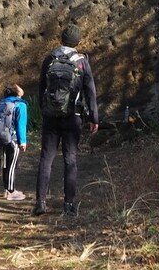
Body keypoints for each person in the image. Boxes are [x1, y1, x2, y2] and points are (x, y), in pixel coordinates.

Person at [33, 25, 99, 217]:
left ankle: (40, 203)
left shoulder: (50, 58)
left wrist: (44, 110)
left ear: (61, 39)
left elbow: (41, 88)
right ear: (77, 42)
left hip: (50, 118)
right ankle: (68, 204)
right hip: (73, 118)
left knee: (46, 158)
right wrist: (94, 117)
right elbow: (90, 91)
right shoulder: (81, 62)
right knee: (70, 159)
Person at [0, 83, 28, 201]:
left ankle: (7, 189)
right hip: (13, 139)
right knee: (11, 166)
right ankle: (11, 191)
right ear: (17, 93)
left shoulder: (2, 103)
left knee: (6, 165)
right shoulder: (20, 104)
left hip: (2, 138)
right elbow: (21, 124)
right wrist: (23, 141)